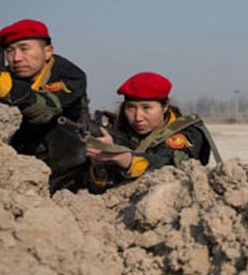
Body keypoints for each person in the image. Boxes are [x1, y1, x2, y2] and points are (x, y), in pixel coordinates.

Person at [0, 19, 89, 193]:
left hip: (68, 162)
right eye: (10, 51)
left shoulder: (70, 75)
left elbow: (45, 110)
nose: (16, 58)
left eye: (24, 48)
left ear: (47, 52)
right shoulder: (6, 76)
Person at [85, 71, 221, 190]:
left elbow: (166, 166)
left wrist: (120, 156)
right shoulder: (122, 130)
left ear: (165, 107)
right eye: (131, 108)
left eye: (146, 108)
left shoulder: (187, 133)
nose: (138, 117)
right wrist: (100, 165)